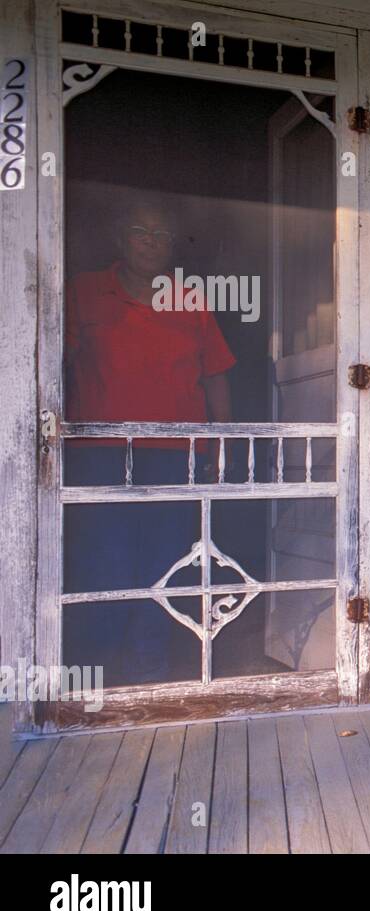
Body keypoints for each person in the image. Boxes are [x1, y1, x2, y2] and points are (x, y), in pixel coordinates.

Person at [63, 199, 236, 685]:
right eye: (141, 231)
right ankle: (92, 672)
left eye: (161, 236)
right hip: (99, 452)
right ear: (121, 239)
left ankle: (147, 668)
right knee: (103, 558)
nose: (151, 243)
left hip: (174, 454)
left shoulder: (190, 300)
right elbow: (53, 360)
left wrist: (218, 447)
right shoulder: (84, 291)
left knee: (165, 561)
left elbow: (217, 377)